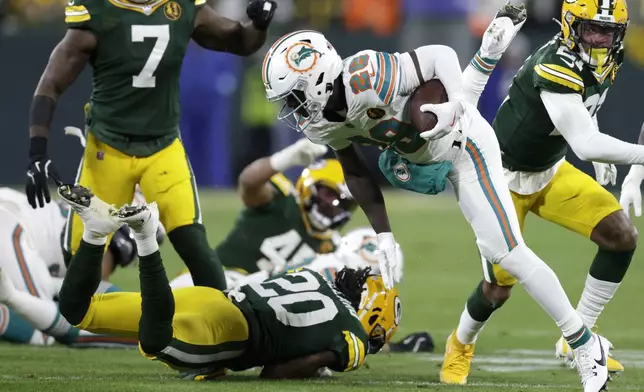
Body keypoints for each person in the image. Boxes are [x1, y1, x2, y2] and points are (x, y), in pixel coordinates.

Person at [261, 4, 610, 392]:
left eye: (293, 96)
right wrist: (384, 235)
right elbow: (355, 169)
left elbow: (440, 57)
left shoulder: (367, 75)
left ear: (319, 79)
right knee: (412, 160)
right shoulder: (324, 123)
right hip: (419, 160)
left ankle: (584, 344)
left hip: (465, 144)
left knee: (507, 252)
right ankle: (585, 343)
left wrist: (457, 103)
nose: (292, 108)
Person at [443, 0, 643, 383]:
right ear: (570, 26)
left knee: (621, 236)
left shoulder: (602, 58)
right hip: (499, 178)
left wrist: (600, 140)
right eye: (591, 30)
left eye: (609, 31)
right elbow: (584, 144)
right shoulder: (556, 63)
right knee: (497, 288)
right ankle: (460, 343)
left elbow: (585, 105)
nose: (601, 39)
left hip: (548, 170)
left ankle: (579, 339)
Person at [25, 0, 278, 291]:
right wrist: (37, 150)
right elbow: (50, 83)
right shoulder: (99, 10)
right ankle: (81, 318)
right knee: (80, 258)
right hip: (108, 148)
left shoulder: (182, 6)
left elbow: (241, 41)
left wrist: (259, 24)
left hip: (162, 147)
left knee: (193, 242)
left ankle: (229, 324)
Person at [55, 184, 401, 379]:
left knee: (77, 310)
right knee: (156, 339)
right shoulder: (353, 337)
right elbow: (277, 372)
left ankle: (96, 233)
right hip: (228, 333)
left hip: (215, 298)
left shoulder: (312, 275)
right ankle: (146, 236)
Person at [0, 187, 154, 348]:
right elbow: (86, 299)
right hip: (8, 226)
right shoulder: (100, 235)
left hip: (10, 214)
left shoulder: (62, 218)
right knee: (41, 329)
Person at [215, 141, 356, 277]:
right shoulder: (283, 200)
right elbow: (249, 182)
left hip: (256, 297)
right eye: (328, 194)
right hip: (225, 275)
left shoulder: (332, 247)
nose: (333, 205)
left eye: (344, 203)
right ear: (309, 186)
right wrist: (285, 158)